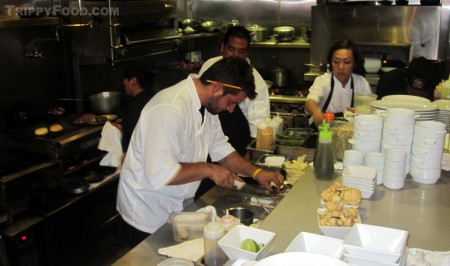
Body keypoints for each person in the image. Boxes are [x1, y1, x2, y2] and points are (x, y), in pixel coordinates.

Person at [116, 57, 284, 238]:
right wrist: (209, 169)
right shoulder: (169, 108)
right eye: (231, 102)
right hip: (147, 212)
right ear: (217, 87)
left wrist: (256, 173)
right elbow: (160, 173)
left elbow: (220, 148)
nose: (231, 110)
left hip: (179, 205)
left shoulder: (207, 106)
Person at [198, 26, 270, 159]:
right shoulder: (210, 65)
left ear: (247, 53)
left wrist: (247, 161)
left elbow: (259, 129)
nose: (235, 55)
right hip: (207, 140)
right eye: (231, 49)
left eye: (241, 51)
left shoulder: (256, 83)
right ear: (222, 47)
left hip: (235, 145)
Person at [305, 40, 372, 125]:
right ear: (330, 63)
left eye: (347, 62)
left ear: (354, 64)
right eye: (336, 62)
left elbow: (370, 111)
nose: (341, 67)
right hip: (324, 132)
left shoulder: (361, 83)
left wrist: (360, 113)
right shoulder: (323, 81)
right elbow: (309, 102)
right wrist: (316, 112)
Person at [120, 64, 156, 154]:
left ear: (133, 81)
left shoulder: (134, 107)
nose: (123, 83)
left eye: (125, 80)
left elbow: (133, 140)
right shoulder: (156, 97)